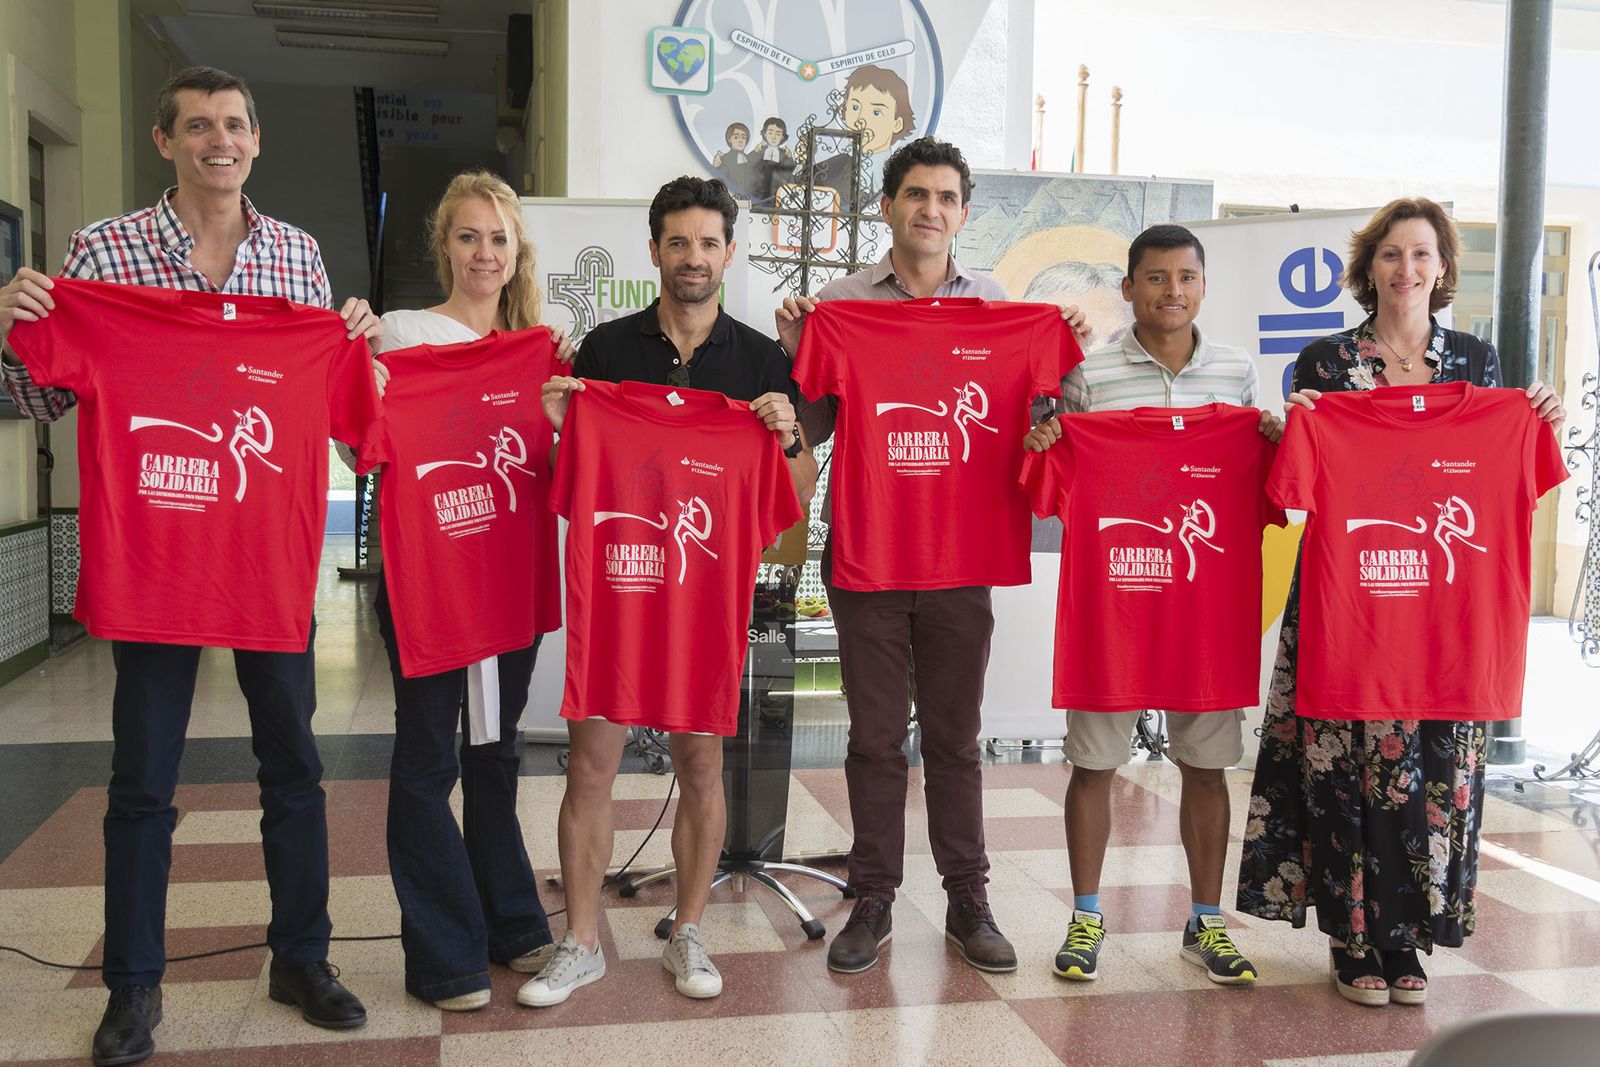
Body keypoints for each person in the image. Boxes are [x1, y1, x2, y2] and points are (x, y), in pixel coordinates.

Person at [0, 66, 377, 1066]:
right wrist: (15, 323)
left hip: (265, 560)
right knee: (142, 780)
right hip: (156, 559)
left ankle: (303, 956)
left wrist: (354, 349)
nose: (222, 139)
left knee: (295, 765)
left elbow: (342, 417)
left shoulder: (295, 258)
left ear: (256, 141)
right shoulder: (105, 251)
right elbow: (42, 400)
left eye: (237, 125)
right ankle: (132, 987)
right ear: (165, 141)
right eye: (200, 125)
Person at [1236, 197, 1566, 1006]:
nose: (1406, 269)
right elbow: (1300, 480)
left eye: (1421, 254)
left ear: (1444, 268)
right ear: (1369, 267)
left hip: (1445, 616)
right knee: (1347, 765)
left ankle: (1409, 938)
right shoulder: (1324, 364)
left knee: (1436, 770)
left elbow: (1507, 480)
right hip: (1351, 603)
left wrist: (1540, 418)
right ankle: (1355, 940)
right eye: (1390, 254)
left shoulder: (1479, 367)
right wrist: (1296, 430)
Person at [775, 136, 1088, 976]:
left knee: (955, 738)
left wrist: (1067, 348)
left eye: (947, 196)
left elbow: (1051, 414)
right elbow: (810, 427)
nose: (930, 209)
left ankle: (967, 897)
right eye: (916, 194)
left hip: (961, 555)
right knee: (875, 737)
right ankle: (873, 895)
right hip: (868, 554)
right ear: (887, 205)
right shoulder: (842, 303)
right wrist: (794, 351)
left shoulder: (998, 306)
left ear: (962, 211)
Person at [524, 175, 811, 1007]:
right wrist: (557, 425)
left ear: (729, 250)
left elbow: (790, 503)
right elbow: (562, 476)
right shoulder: (605, 352)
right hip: (619, 590)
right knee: (591, 763)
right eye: (678, 242)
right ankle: (579, 941)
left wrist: (787, 434)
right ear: (654, 251)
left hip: (705, 597)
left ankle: (687, 930)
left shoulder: (761, 360)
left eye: (708, 242)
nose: (693, 257)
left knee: (701, 763)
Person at [1022, 224, 1281, 986]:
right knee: (1092, 764)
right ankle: (1086, 916)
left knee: (1207, 766)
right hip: (1115, 609)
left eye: (1186, 277)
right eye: (1157, 277)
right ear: (1129, 286)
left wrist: (1269, 437)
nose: (1172, 291)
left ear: (1204, 286)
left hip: (1207, 609)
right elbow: (1054, 481)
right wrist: (1046, 444)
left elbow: (1263, 479)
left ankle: (1206, 923)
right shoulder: (1089, 378)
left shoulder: (1236, 375)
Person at [366, 170, 578, 1013]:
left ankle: (510, 920)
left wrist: (564, 419)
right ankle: (443, 953)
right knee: (425, 760)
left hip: (510, 578)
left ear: (516, 248)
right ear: (443, 246)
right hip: (428, 581)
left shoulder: (542, 350)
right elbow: (364, 447)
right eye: (468, 236)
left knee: (495, 754)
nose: (484, 252)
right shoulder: (400, 335)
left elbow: (559, 474)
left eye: (498, 237)